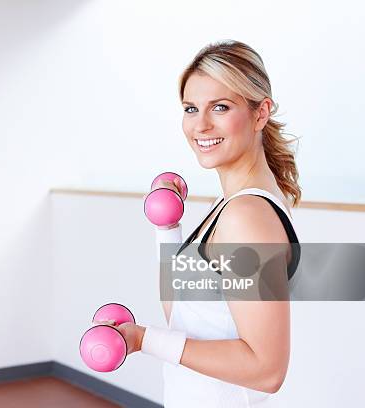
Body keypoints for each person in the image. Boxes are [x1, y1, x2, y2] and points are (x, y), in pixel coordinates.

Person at [117, 40, 301, 407]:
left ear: (260, 113)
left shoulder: (247, 216)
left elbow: (267, 370)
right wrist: (167, 228)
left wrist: (142, 340)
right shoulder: (227, 206)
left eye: (220, 107)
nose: (200, 125)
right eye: (190, 108)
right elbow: (184, 316)